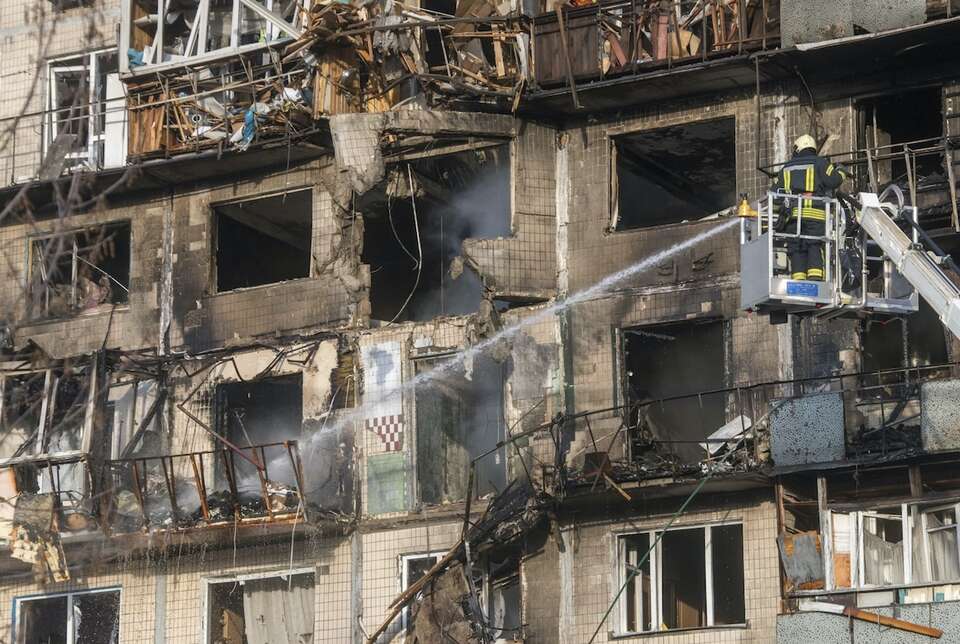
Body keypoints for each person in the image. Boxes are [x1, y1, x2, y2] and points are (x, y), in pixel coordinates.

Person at [773, 134, 849, 281]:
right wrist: (841, 171)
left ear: (797, 148)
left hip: (793, 217)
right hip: (816, 216)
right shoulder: (820, 163)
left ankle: (799, 280)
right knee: (815, 245)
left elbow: (775, 194)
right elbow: (834, 181)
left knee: (796, 248)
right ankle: (815, 279)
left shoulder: (785, 168)